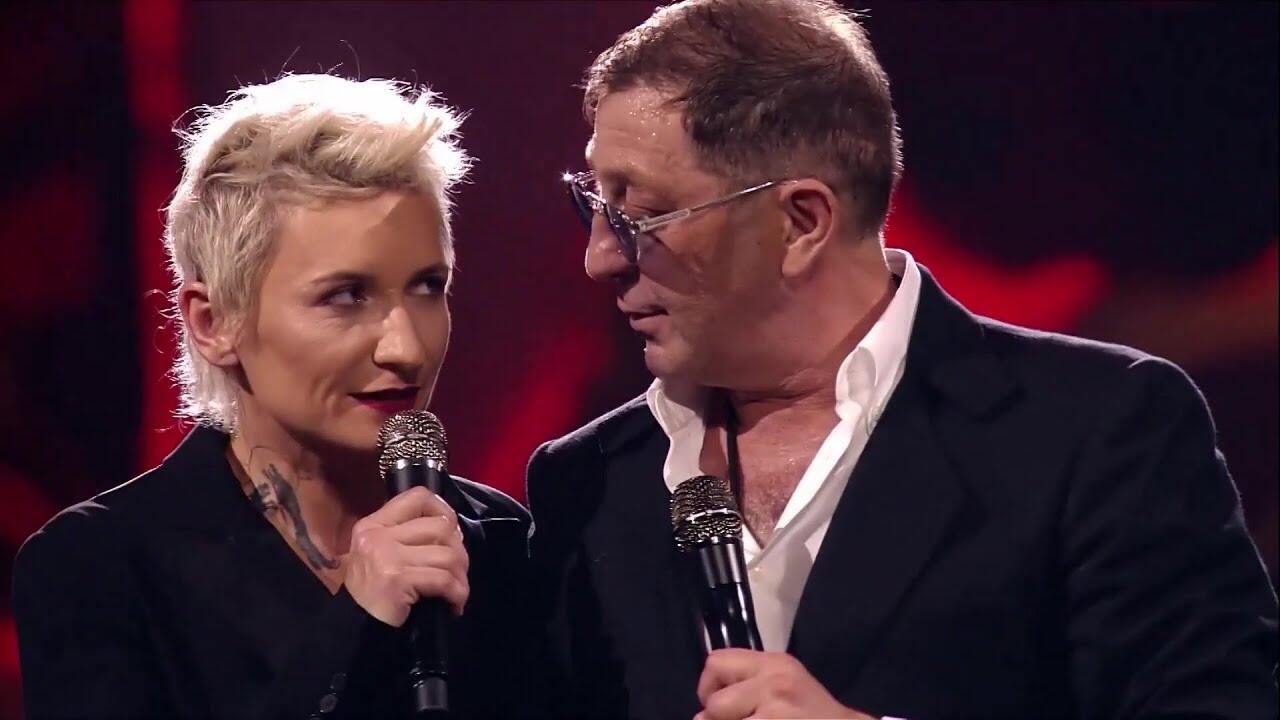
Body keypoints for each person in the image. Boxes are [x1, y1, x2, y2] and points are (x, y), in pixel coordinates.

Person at [525, 1, 1279, 718]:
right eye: (593, 206)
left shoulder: (1102, 429)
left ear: (801, 223)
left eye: (643, 216)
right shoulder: (586, 482)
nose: (599, 258)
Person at [13, 74, 531, 719]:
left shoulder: (506, 544)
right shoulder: (99, 568)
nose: (406, 348)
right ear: (214, 323)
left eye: (428, 287)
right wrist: (358, 624)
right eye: (346, 296)